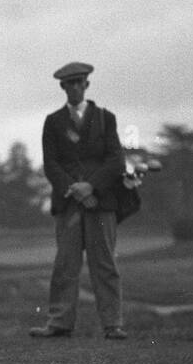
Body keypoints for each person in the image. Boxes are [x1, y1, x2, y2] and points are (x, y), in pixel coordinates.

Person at [31, 61, 128, 340]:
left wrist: (91, 187)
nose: (75, 88)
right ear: (63, 87)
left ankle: (113, 324)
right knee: (65, 264)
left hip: (101, 203)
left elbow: (115, 160)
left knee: (105, 263)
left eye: (79, 82)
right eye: (69, 84)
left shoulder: (105, 118)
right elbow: (51, 165)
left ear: (87, 85)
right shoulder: (53, 122)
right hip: (69, 204)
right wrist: (74, 189)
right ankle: (59, 322)